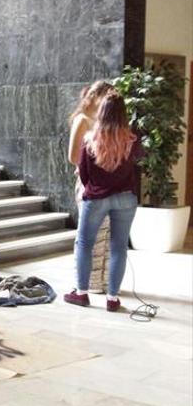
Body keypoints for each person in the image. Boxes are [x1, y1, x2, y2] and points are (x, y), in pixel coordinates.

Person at [64, 91, 143, 312]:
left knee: (84, 244)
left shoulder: (90, 139)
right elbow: (137, 166)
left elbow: (83, 172)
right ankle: (112, 298)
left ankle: (81, 293)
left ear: (102, 112)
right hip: (126, 199)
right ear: (123, 114)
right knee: (119, 248)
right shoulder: (132, 140)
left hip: (96, 198)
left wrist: (94, 189)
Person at [68, 81, 115, 294]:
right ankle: (90, 283)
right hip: (88, 184)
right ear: (95, 96)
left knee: (106, 234)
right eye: (105, 96)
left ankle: (104, 281)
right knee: (91, 234)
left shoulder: (103, 121)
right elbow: (73, 156)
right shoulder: (83, 120)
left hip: (106, 185)